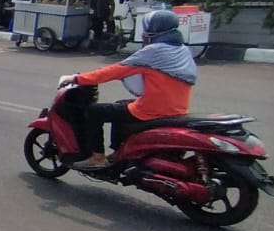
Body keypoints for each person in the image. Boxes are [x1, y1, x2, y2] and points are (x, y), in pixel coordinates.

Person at [58, 9, 197, 171]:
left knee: (94, 111)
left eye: (147, 28)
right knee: (120, 105)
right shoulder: (183, 50)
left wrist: (76, 78)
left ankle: (97, 157)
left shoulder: (154, 51)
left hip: (152, 111)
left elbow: (115, 71)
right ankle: (119, 152)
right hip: (177, 110)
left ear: (156, 29)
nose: (144, 33)